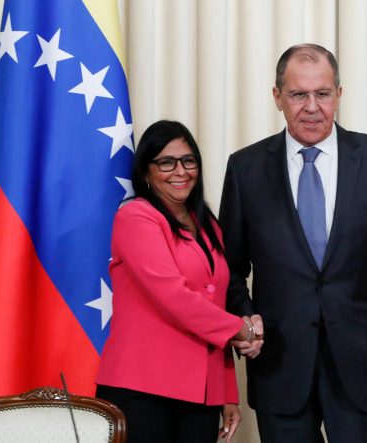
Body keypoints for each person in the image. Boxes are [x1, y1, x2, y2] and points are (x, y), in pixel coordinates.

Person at [219, 44, 367, 443]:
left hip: (364, 365)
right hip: (279, 365)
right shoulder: (245, 168)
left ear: (339, 93)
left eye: (323, 93)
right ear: (277, 97)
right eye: (299, 94)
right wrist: (245, 321)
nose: (312, 106)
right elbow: (228, 267)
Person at [95, 120, 262, 443]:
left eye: (188, 161)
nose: (180, 171)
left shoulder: (208, 225)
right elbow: (175, 297)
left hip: (199, 393)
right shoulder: (136, 217)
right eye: (166, 162)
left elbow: (215, 304)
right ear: (146, 171)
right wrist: (244, 330)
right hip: (142, 387)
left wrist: (226, 393)